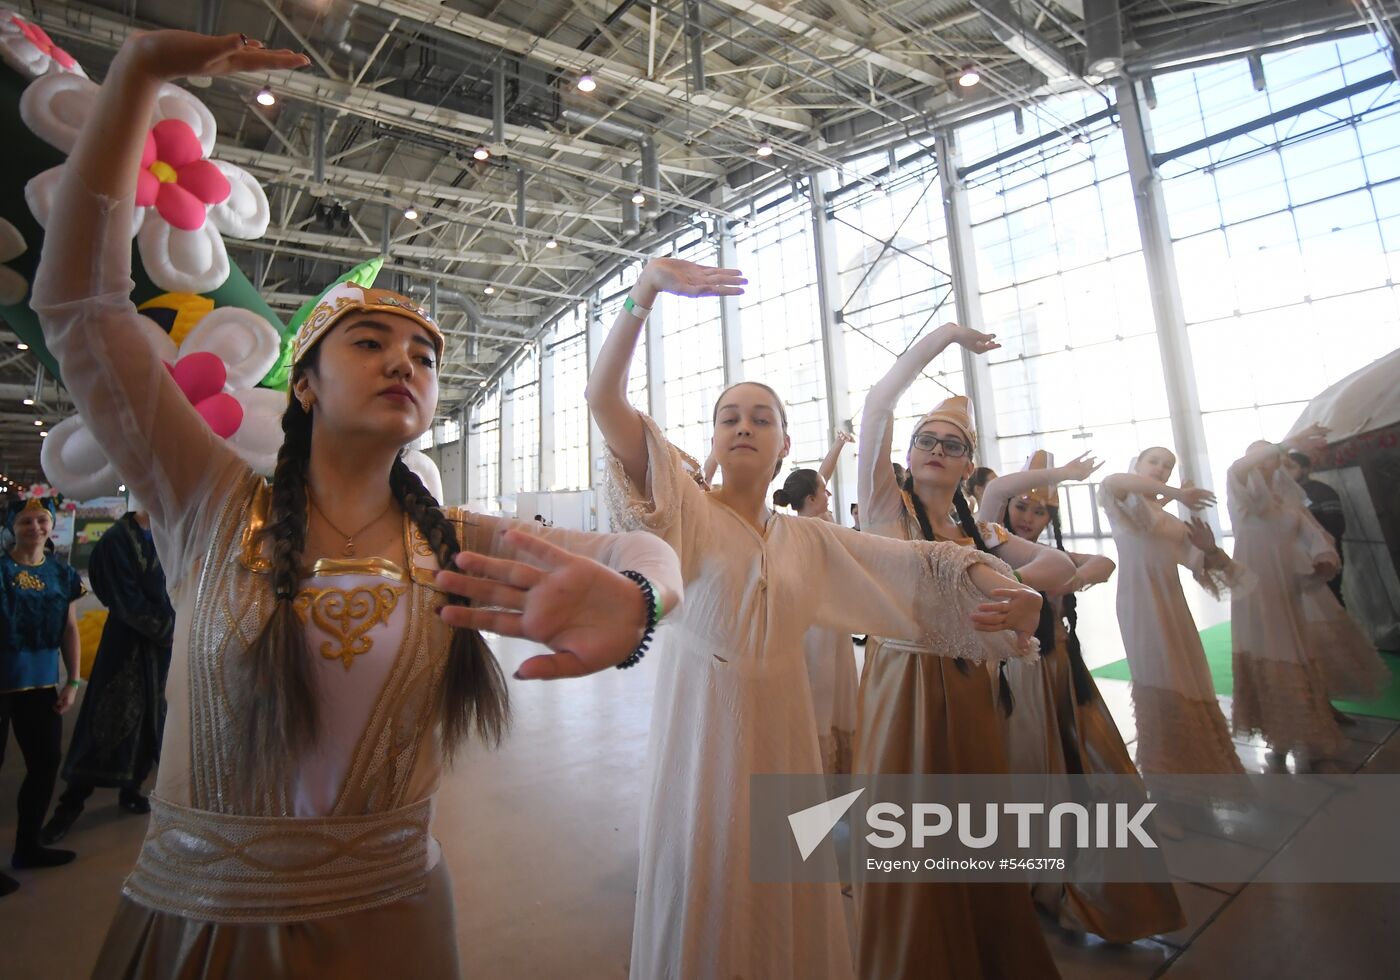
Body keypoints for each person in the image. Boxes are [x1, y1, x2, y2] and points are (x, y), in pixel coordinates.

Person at [31, 29, 685, 976]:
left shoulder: (452, 541)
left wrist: (642, 607)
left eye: (423, 356)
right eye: (370, 343)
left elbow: (645, 545)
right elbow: (82, 312)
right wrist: (135, 76)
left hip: (397, 918)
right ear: (303, 385)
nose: (404, 364)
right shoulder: (208, 503)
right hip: (207, 925)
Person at [587, 259, 1044, 980]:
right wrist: (642, 294)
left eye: (761, 418)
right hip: (702, 740)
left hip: (783, 739)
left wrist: (1013, 590)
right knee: (708, 883)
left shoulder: (805, 537)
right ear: (710, 441)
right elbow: (603, 400)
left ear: (783, 448)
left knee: (782, 901)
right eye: (729, 417)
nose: (744, 427)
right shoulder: (684, 512)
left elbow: (918, 568)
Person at [855, 322, 1075, 980]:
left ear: (966, 462)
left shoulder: (981, 527)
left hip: (974, 686)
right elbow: (876, 406)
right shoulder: (884, 510)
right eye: (927, 440)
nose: (936, 450)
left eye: (952, 445)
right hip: (906, 682)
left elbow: (1062, 562)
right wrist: (943, 337)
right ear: (911, 449)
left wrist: (1020, 591)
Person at [979, 451, 1185, 941]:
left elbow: (1103, 559)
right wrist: (1061, 476)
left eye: (1040, 511)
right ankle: (1023, 881)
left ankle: (1082, 889)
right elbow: (995, 489)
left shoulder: (1045, 554)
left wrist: (1086, 572)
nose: (1028, 518)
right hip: (1010, 682)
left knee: (1097, 775)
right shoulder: (988, 542)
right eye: (1022, 508)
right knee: (1024, 777)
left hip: (1059, 675)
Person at [1099, 449, 1250, 777]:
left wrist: (1209, 548)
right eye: (1153, 461)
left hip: (1172, 605)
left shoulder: (1168, 520)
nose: (1161, 468)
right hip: (1139, 603)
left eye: (1167, 466)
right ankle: (1163, 781)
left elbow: (1203, 562)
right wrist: (1179, 494)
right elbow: (1114, 481)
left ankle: (1193, 770)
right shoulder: (1124, 504)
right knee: (1156, 680)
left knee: (1186, 677)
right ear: (1137, 464)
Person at [43, 511, 173, 844]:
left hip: (161, 651)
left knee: (153, 721)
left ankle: (132, 788)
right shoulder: (117, 539)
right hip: (126, 646)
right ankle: (70, 805)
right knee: (106, 721)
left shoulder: (168, 530)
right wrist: (168, 629)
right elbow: (123, 598)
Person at [0, 496, 85, 896]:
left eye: (41, 520)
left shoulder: (61, 573)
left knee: (45, 762)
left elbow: (69, 628)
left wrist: (73, 681)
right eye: (26, 521)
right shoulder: (0, 569)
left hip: (41, 684)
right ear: (12, 527)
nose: (34, 527)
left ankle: (27, 847)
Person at [772, 432, 858, 774]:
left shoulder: (801, 524)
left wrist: (836, 447)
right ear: (811, 498)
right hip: (818, 625)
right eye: (824, 491)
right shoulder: (810, 528)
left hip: (828, 623)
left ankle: (826, 760)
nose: (830, 493)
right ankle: (818, 760)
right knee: (822, 689)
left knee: (831, 686)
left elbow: (820, 475)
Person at [1282, 448, 1346, 604]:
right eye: (1284, 468)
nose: (1286, 472)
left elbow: (1336, 526)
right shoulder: (1283, 495)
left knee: (1332, 597)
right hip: (1300, 559)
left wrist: (1316, 538)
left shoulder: (1322, 491)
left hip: (1322, 556)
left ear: (1305, 469)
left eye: (1291, 467)